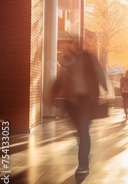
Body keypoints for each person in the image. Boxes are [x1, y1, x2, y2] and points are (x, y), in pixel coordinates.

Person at [46, 36, 108, 175]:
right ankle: (83, 145)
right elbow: (61, 77)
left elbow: (99, 73)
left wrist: (106, 89)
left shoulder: (90, 58)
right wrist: (53, 93)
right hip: (72, 101)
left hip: (87, 99)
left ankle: (83, 164)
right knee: (80, 131)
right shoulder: (68, 59)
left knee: (83, 130)